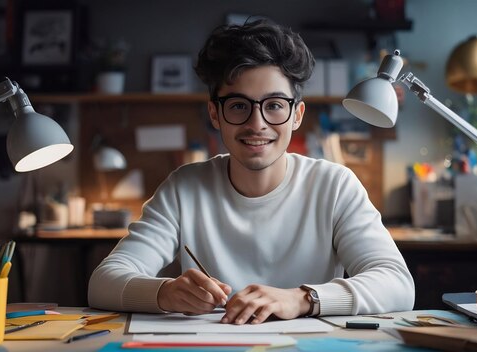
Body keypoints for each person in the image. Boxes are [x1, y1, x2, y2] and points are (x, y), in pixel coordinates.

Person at [88, 19, 414, 324]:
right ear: (215, 114)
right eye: (239, 106)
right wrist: (164, 293)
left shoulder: (335, 185)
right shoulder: (184, 188)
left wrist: (303, 299)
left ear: (297, 115)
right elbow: (103, 281)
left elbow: (397, 284)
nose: (256, 124)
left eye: (274, 105)